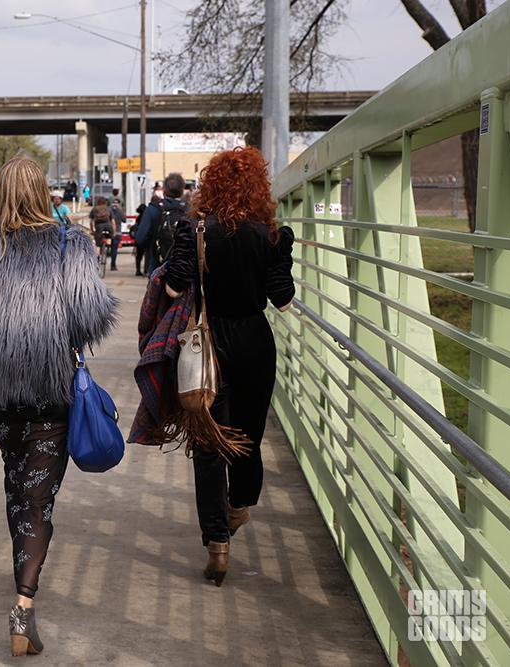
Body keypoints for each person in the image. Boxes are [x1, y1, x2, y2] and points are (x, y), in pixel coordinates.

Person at [0, 157, 117, 656]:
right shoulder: (70, 244)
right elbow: (93, 318)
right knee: (37, 497)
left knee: (17, 482)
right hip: (49, 390)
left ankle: (22, 566)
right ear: (42, 194)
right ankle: (23, 604)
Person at [163, 146, 295, 585]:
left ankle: (216, 542)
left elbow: (173, 288)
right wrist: (278, 259)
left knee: (208, 442)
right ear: (258, 188)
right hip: (255, 342)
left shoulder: (195, 230)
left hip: (207, 344)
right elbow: (282, 298)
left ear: (212, 186)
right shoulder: (270, 235)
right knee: (247, 437)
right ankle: (238, 506)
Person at [134, 174, 189, 275]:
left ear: (164, 191)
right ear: (182, 191)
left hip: (158, 266)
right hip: (185, 269)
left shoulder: (153, 209)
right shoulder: (190, 210)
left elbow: (140, 238)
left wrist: (152, 246)